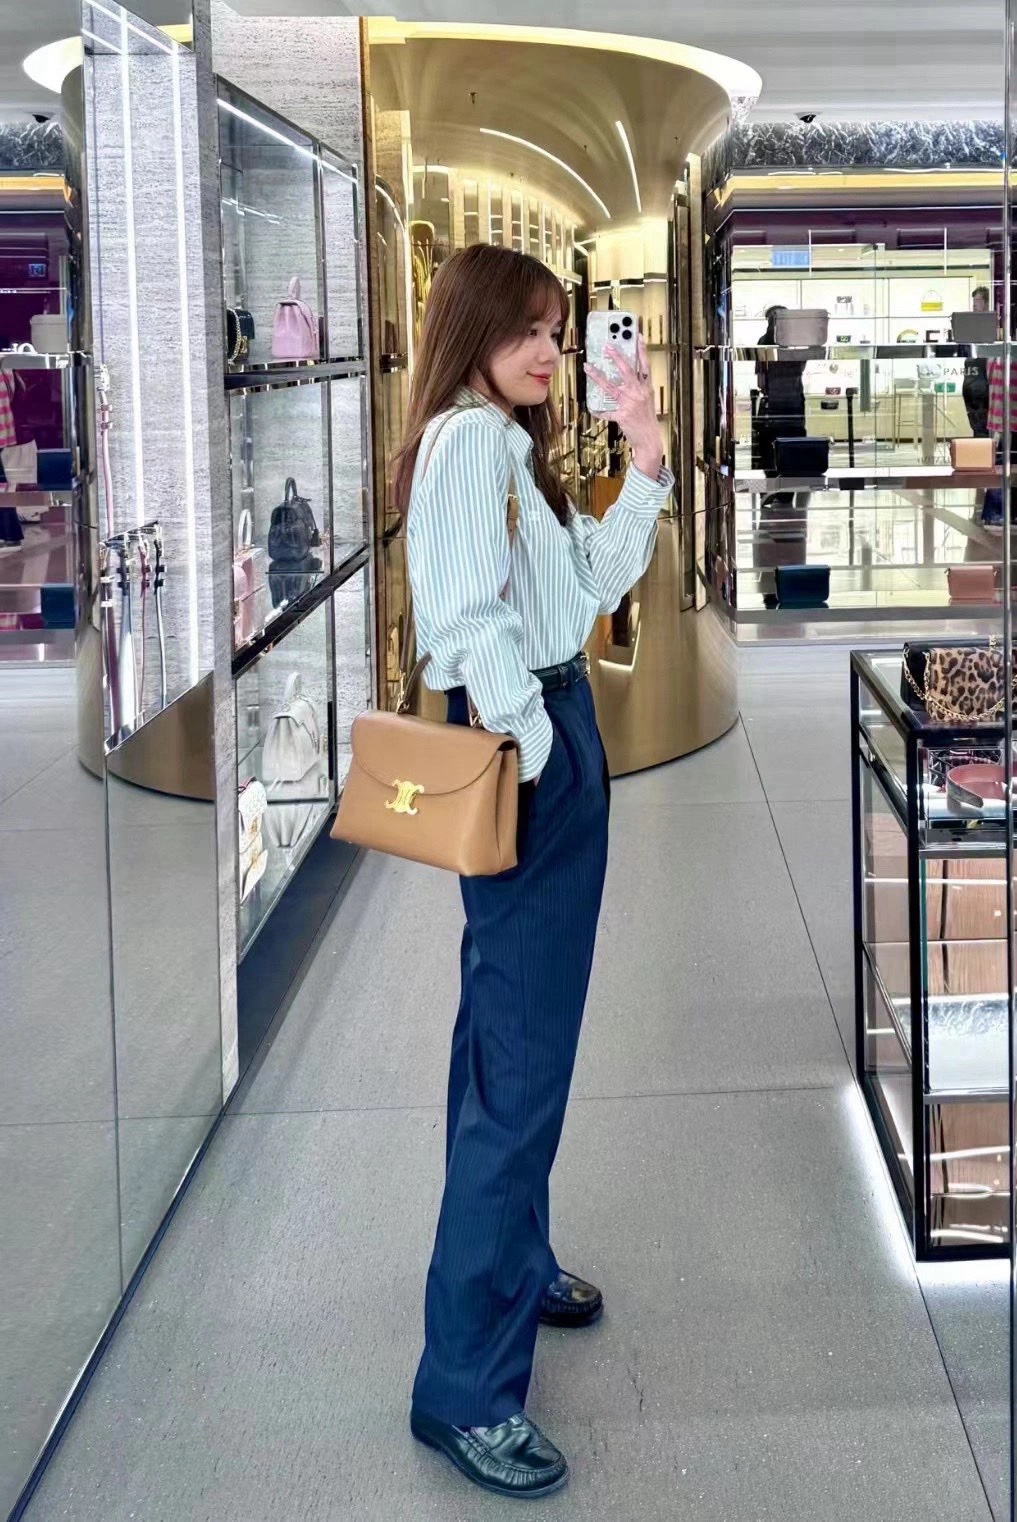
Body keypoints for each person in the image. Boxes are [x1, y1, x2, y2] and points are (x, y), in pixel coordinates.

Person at [394, 243, 671, 1500]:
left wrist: (643, 452)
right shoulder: (467, 447)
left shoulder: (507, 449)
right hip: (533, 746)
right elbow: (465, 624)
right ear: (473, 331)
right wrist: (540, 743)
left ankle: (517, 1252)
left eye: (560, 330)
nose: (552, 351)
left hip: (555, 727)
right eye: (529, 329)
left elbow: (586, 589)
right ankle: (464, 1388)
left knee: (513, 1038)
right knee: (518, 1067)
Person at [962, 285, 991, 439]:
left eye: (978, 301)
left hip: (982, 382)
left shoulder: (992, 324)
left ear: (987, 302)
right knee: (975, 421)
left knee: (983, 423)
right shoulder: (970, 324)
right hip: (970, 380)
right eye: (973, 301)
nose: (974, 304)